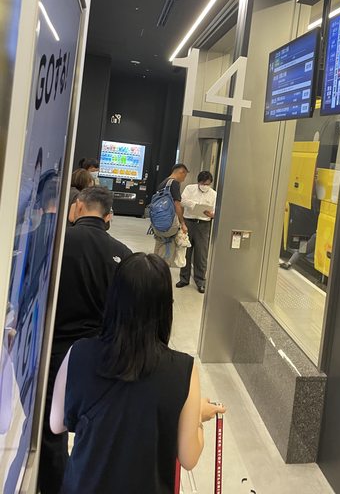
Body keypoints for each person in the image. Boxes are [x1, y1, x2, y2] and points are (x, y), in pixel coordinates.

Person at [50, 253, 225, 493]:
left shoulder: (79, 353)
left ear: (113, 299)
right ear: (165, 307)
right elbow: (189, 457)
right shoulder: (182, 370)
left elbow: (56, 424)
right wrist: (197, 417)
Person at [39, 186, 132, 494]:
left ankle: (55, 487)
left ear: (78, 206)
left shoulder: (54, 242)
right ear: (109, 217)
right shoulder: (122, 254)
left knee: (51, 430)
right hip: (101, 356)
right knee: (96, 430)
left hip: (54, 353)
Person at [177, 171, 217, 294]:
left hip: (204, 225)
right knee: (186, 251)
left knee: (201, 254)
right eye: (203, 184)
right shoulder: (190, 189)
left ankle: (200, 282)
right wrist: (195, 205)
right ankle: (184, 279)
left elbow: (216, 211)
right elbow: (182, 201)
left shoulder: (214, 194)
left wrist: (211, 214)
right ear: (198, 182)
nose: (205, 186)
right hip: (189, 222)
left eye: (208, 184)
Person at [152, 163, 189, 266]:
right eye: (184, 176)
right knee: (167, 252)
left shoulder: (163, 183)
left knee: (159, 247)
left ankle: (154, 269)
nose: (184, 179)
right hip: (169, 223)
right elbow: (177, 204)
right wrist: (182, 223)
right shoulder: (174, 183)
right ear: (181, 172)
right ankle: (161, 273)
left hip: (158, 222)